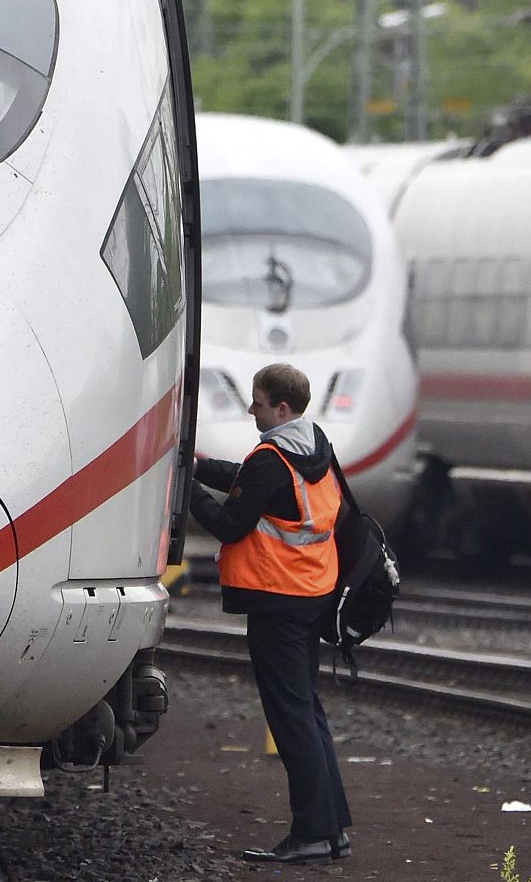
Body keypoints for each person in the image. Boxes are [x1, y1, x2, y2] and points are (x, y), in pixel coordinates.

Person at [189, 362, 353, 866]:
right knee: (309, 712)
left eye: (257, 401)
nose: (250, 408)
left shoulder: (270, 457)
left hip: (276, 597)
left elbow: (231, 525)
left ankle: (311, 834)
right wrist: (199, 465)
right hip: (312, 592)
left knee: (291, 720)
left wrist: (187, 489)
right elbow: (256, 482)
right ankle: (332, 830)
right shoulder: (313, 444)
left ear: (281, 408)